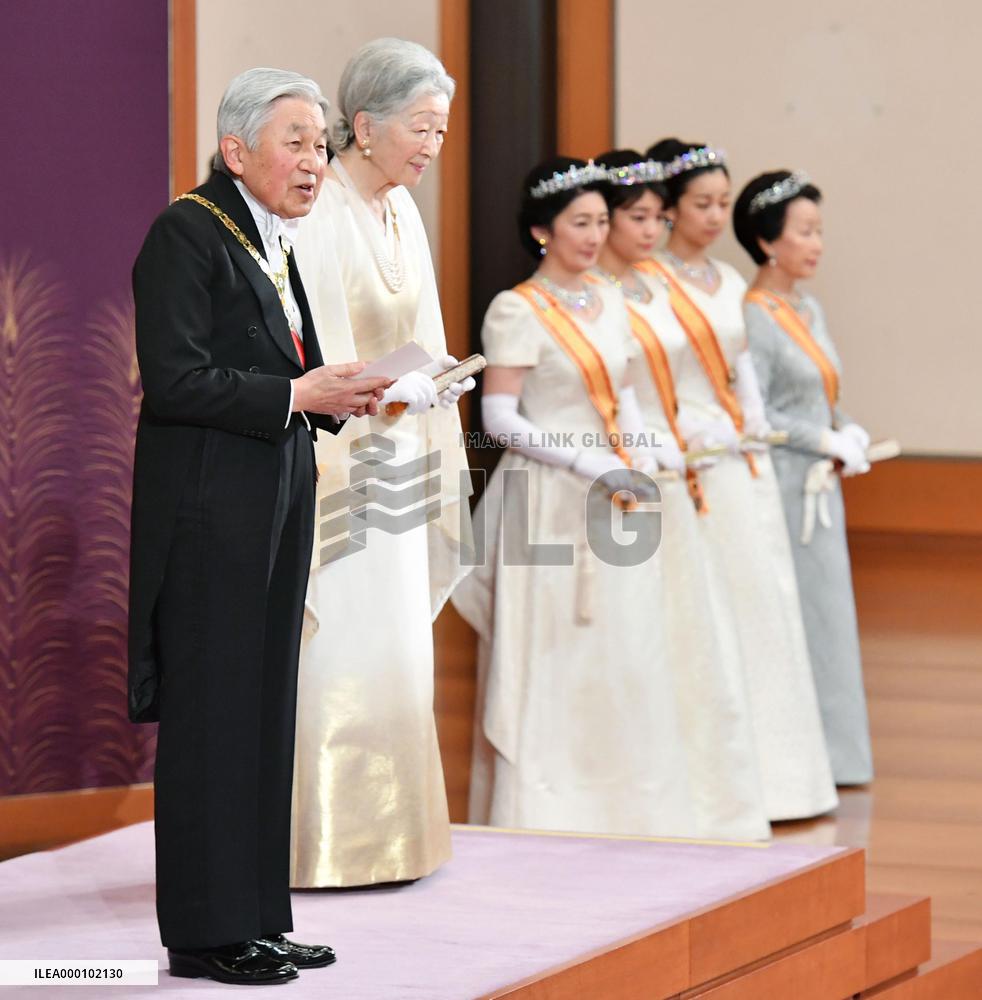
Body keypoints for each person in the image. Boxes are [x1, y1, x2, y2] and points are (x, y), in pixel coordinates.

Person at [128, 67, 391, 985]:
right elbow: (176, 381)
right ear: (236, 149)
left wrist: (346, 394)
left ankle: (255, 919)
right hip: (206, 512)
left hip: (274, 494)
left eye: (321, 144)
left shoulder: (270, 239)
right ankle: (204, 935)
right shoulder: (186, 232)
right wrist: (298, 391)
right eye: (298, 141)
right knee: (212, 719)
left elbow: (290, 378)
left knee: (264, 708)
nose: (316, 160)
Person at [452, 157, 701, 838]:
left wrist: (640, 446)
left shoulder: (609, 296)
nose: (594, 237)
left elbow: (622, 389)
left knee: (628, 646)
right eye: (579, 223)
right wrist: (583, 460)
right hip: (547, 496)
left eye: (600, 222)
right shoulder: (515, 308)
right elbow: (497, 419)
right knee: (554, 654)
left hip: (614, 492)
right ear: (542, 230)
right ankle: (549, 807)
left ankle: (629, 805)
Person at [290, 39, 474, 889]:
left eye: (441, 129)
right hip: (339, 461)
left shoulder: (403, 210)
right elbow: (319, 348)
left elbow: (421, 334)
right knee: (344, 644)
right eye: (421, 127)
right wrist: (382, 393)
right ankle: (326, 845)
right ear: (363, 126)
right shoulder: (320, 208)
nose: (433, 146)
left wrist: (434, 380)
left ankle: (399, 836)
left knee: (397, 642)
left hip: (401, 451)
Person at [637, 138, 837, 821]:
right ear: (669, 209)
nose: (716, 216)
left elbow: (741, 367)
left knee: (766, 605)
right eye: (703, 204)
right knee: (717, 617)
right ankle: (725, 781)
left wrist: (753, 422)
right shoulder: (649, 280)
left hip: (741, 453)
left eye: (724, 203)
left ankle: (786, 777)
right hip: (694, 456)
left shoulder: (724, 279)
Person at [593, 149, 770, 840]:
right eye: (636, 217)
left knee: (696, 637)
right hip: (632, 466)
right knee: (643, 638)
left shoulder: (656, 289)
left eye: (657, 217)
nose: (651, 230)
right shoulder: (596, 295)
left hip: (680, 462)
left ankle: (704, 793)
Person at [734, 170, 873, 785]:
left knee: (829, 616)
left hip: (820, 483)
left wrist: (848, 428)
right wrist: (822, 438)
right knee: (799, 616)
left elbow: (819, 393)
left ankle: (838, 755)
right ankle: (799, 761)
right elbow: (755, 413)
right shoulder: (754, 316)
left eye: (820, 232)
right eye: (805, 232)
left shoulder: (807, 307)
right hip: (784, 487)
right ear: (767, 242)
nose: (816, 244)